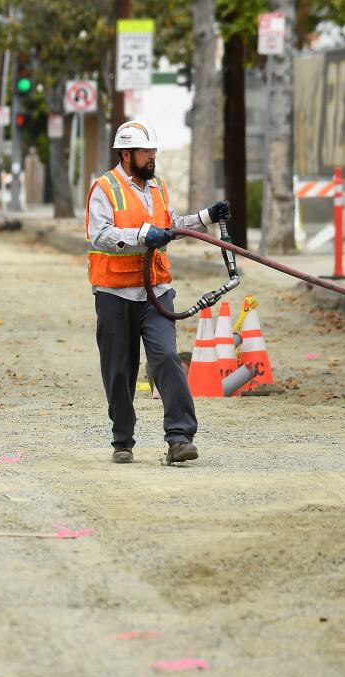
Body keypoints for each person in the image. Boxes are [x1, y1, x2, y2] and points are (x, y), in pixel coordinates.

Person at [85, 119, 230, 465]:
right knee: (119, 369)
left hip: (156, 292)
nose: (152, 157)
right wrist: (141, 235)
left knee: (166, 357)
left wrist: (206, 217)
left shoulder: (157, 187)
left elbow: (170, 226)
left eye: (153, 151)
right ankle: (123, 437)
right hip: (114, 292)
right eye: (146, 151)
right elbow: (99, 234)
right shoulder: (104, 189)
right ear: (126, 153)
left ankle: (179, 437)